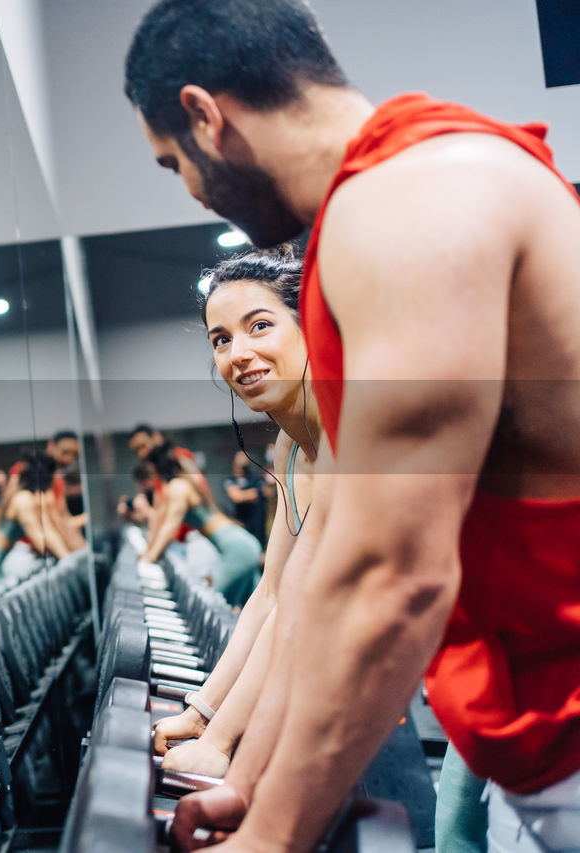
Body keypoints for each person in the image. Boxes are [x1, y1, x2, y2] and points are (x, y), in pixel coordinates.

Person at [125, 1, 580, 849]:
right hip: (535, 741)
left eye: (170, 164)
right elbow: (314, 578)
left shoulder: (412, 197)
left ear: (203, 115)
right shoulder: (367, 218)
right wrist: (247, 777)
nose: (189, 191)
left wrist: (272, 836)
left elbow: (393, 576)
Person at [150, 247, 318, 784]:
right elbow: (270, 595)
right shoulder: (288, 449)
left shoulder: (353, 435)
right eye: (221, 339)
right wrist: (201, 714)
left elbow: (303, 605)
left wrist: (220, 743)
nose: (237, 353)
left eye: (260, 326)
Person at [139, 439, 263, 609]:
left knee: (211, 609)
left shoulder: (178, 487)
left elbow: (169, 527)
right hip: (244, 543)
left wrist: (149, 558)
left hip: (238, 550)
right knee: (256, 611)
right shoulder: (185, 483)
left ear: (157, 469)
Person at [0, 452, 73, 594]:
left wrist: (67, 558)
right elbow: (40, 535)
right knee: (10, 604)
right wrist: (69, 561)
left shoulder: (23, 497)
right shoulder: (23, 499)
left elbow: (47, 530)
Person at [225, 449, 268, 545]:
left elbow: (262, 493)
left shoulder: (256, 478)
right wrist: (250, 493)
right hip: (240, 522)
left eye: (245, 456)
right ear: (234, 461)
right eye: (240, 457)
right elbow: (237, 497)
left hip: (257, 525)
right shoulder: (230, 479)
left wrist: (244, 494)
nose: (244, 459)